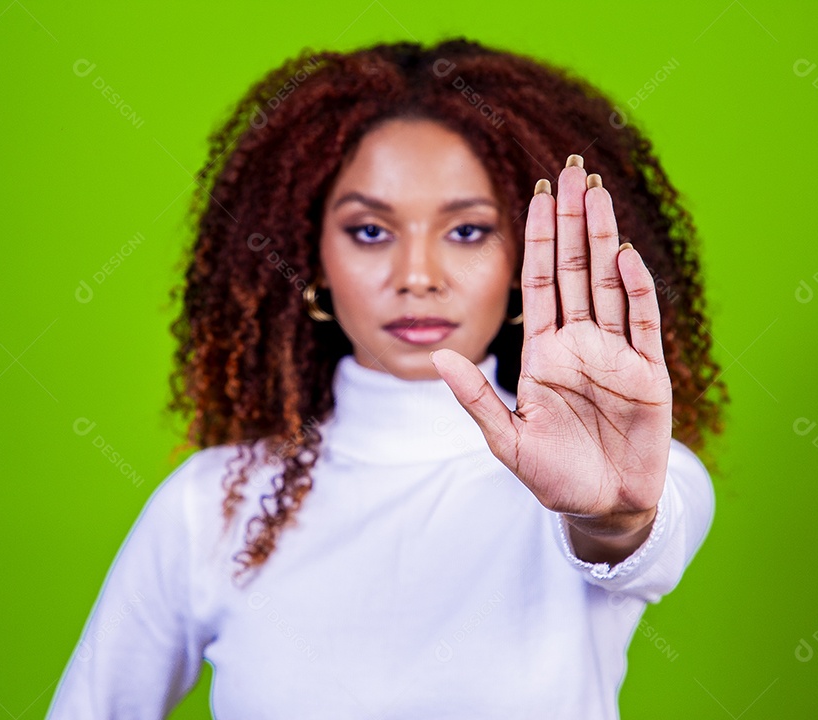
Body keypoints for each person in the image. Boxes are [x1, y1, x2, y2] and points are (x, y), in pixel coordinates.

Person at [46, 37, 727, 719]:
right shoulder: (211, 504)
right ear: (309, 257)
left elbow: (634, 533)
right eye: (371, 231)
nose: (417, 277)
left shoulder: (626, 474)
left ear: (523, 258)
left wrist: (613, 518)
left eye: (467, 231)